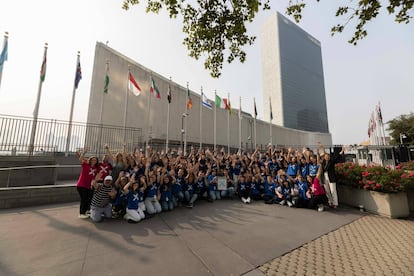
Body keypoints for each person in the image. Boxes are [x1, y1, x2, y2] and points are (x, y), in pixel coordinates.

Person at [319, 144, 345, 208]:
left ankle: (335, 203)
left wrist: (342, 151)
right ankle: (330, 202)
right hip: (325, 177)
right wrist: (322, 147)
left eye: (328, 156)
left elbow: (336, 157)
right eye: (325, 156)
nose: (326, 157)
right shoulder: (324, 162)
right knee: (327, 191)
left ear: (329, 157)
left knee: (333, 190)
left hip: (331, 177)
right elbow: (323, 154)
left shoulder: (331, 161)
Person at [75, 147, 98, 219]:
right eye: (93, 160)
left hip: (89, 186)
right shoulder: (85, 165)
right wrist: (84, 152)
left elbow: (93, 178)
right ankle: (81, 213)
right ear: (90, 160)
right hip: (81, 185)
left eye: (95, 160)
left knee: (89, 199)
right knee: (83, 199)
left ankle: (86, 211)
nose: (94, 161)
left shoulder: (95, 168)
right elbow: (80, 159)